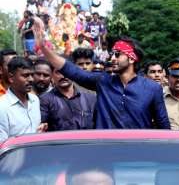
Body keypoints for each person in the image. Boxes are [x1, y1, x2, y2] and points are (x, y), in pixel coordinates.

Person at [33, 17, 170, 129]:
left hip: (138, 157)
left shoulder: (153, 89)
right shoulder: (103, 82)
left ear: (131, 58)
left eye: (117, 54)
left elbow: (163, 126)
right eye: (112, 54)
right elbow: (72, 71)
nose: (112, 58)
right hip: (105, 156)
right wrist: (43, 47)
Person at [0, 57, 42, 142]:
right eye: (25, 76)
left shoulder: (35, 100)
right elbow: (2, 144)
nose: (31, 79)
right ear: (11, 78)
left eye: (32, 75)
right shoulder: (2, 106)